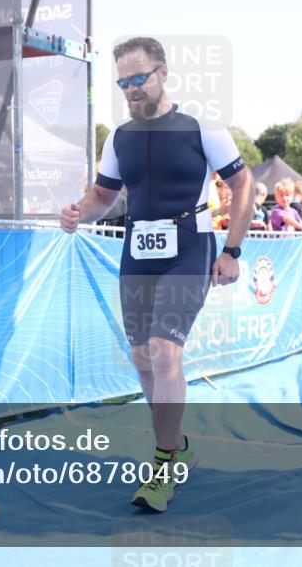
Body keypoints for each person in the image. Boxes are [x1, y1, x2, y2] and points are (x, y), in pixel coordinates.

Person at [58, 37, 253, 513]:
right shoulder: (118, 136)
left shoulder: (201, 124)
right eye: (122, 82)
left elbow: (242, 183)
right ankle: (176, 444)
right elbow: (103, 198)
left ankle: (164, 464)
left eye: (138, 78)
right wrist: (77, 213)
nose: (130, 89)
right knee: (143, 355)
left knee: (166, 350)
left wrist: (233, 250)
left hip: (189, 245)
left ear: (162, 72)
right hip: (138, 250)